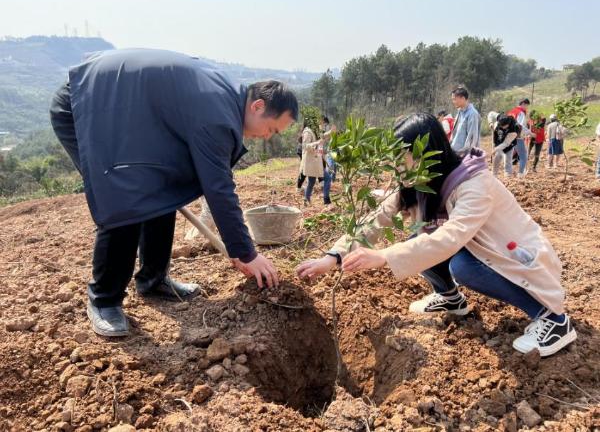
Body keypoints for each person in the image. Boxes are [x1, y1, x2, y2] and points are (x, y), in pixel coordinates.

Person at [49, 48, 298, 337]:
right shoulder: (218, 116)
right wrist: (245, 252)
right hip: (84, 105)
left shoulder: (225, 99)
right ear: (257, 106)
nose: (268, 136)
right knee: (124, 193)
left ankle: (153, 280)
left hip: (121, 112)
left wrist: (240, 249)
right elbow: (218, 188)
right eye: (272, 129)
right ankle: (104, 300)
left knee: (163, 186)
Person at [297, 113, 576, 357]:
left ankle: (551, 318)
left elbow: (450, 238)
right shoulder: (415, 181)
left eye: (400, 158)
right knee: (416, 240)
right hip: (483, 252)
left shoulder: (474, 185)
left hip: (516, 256)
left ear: (425, 152)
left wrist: (384, 256)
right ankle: (449, 297)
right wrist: (332, 257)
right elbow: (375, 219)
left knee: (462, 265)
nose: (395, 166)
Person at [299, 119, 329, 205]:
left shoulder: (315, 131)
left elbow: (319, 146)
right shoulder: (307, 132)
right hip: (312, 162)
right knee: (327, 178)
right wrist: (317, 144)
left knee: (311, 181)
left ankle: (306, 198)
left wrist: (321, 154)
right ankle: (326, 201)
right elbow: (306, 146)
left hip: (315, 161)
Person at [507, 99, 534, 178]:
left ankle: (508, 172)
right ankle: (521, 174)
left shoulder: (511, 112)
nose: (526, 108)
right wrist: (530, 133)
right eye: (526, 105)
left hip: (509, 136)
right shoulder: (521, 113)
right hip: (517, 137)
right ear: (522, 104)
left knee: (509, 154)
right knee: (523, 156)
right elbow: (520, 126)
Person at [449, 87, 481, 155]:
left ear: (463, 98)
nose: (453, 102)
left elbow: (472, 138)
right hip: (455, 151)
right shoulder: (459, 112)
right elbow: (455, 133)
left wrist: (465, 155)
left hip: (463, 154)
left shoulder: (472, 114)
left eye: (454, 99)